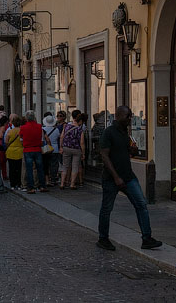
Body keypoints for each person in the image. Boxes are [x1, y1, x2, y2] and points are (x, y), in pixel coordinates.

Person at [98, 105, 162, 251]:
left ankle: (147, 238)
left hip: (128, 176)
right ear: (119, 115)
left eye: (130, 116)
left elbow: (127, 153)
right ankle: (103, 238)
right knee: (107, 208)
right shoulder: (109, 132)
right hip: (112, 178)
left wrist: (132, 150)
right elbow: (104, 155)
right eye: (127, 116)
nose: (130, 118)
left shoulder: (124, 133)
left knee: (141, 204)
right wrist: (116, 177)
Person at [60, 111, 86, 189]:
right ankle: (72, 184)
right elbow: (82, 142)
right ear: (80, 121)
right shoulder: (80, 130)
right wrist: (83, 153)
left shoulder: (66, 126)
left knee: (65, 166)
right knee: (75, 167)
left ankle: (62, 183)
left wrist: (61, 147)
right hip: (76, 149)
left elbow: (61, 137)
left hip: (66, 148)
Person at [42, 111, 62, 187]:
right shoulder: (56, 130)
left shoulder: (43, 129)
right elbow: (59, 138)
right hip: (55, 149)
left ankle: (47, 178)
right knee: (54, 165)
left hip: (46, 149)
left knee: (46, 164)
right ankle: (53, 179)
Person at [4, 115, 24, 190]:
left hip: (11, 151)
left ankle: (12, 184)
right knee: (19, 168)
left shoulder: (9, 131)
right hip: (20, 151)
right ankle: (19, 184)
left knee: (12, 168)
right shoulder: (21, 130)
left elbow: (6, 141)